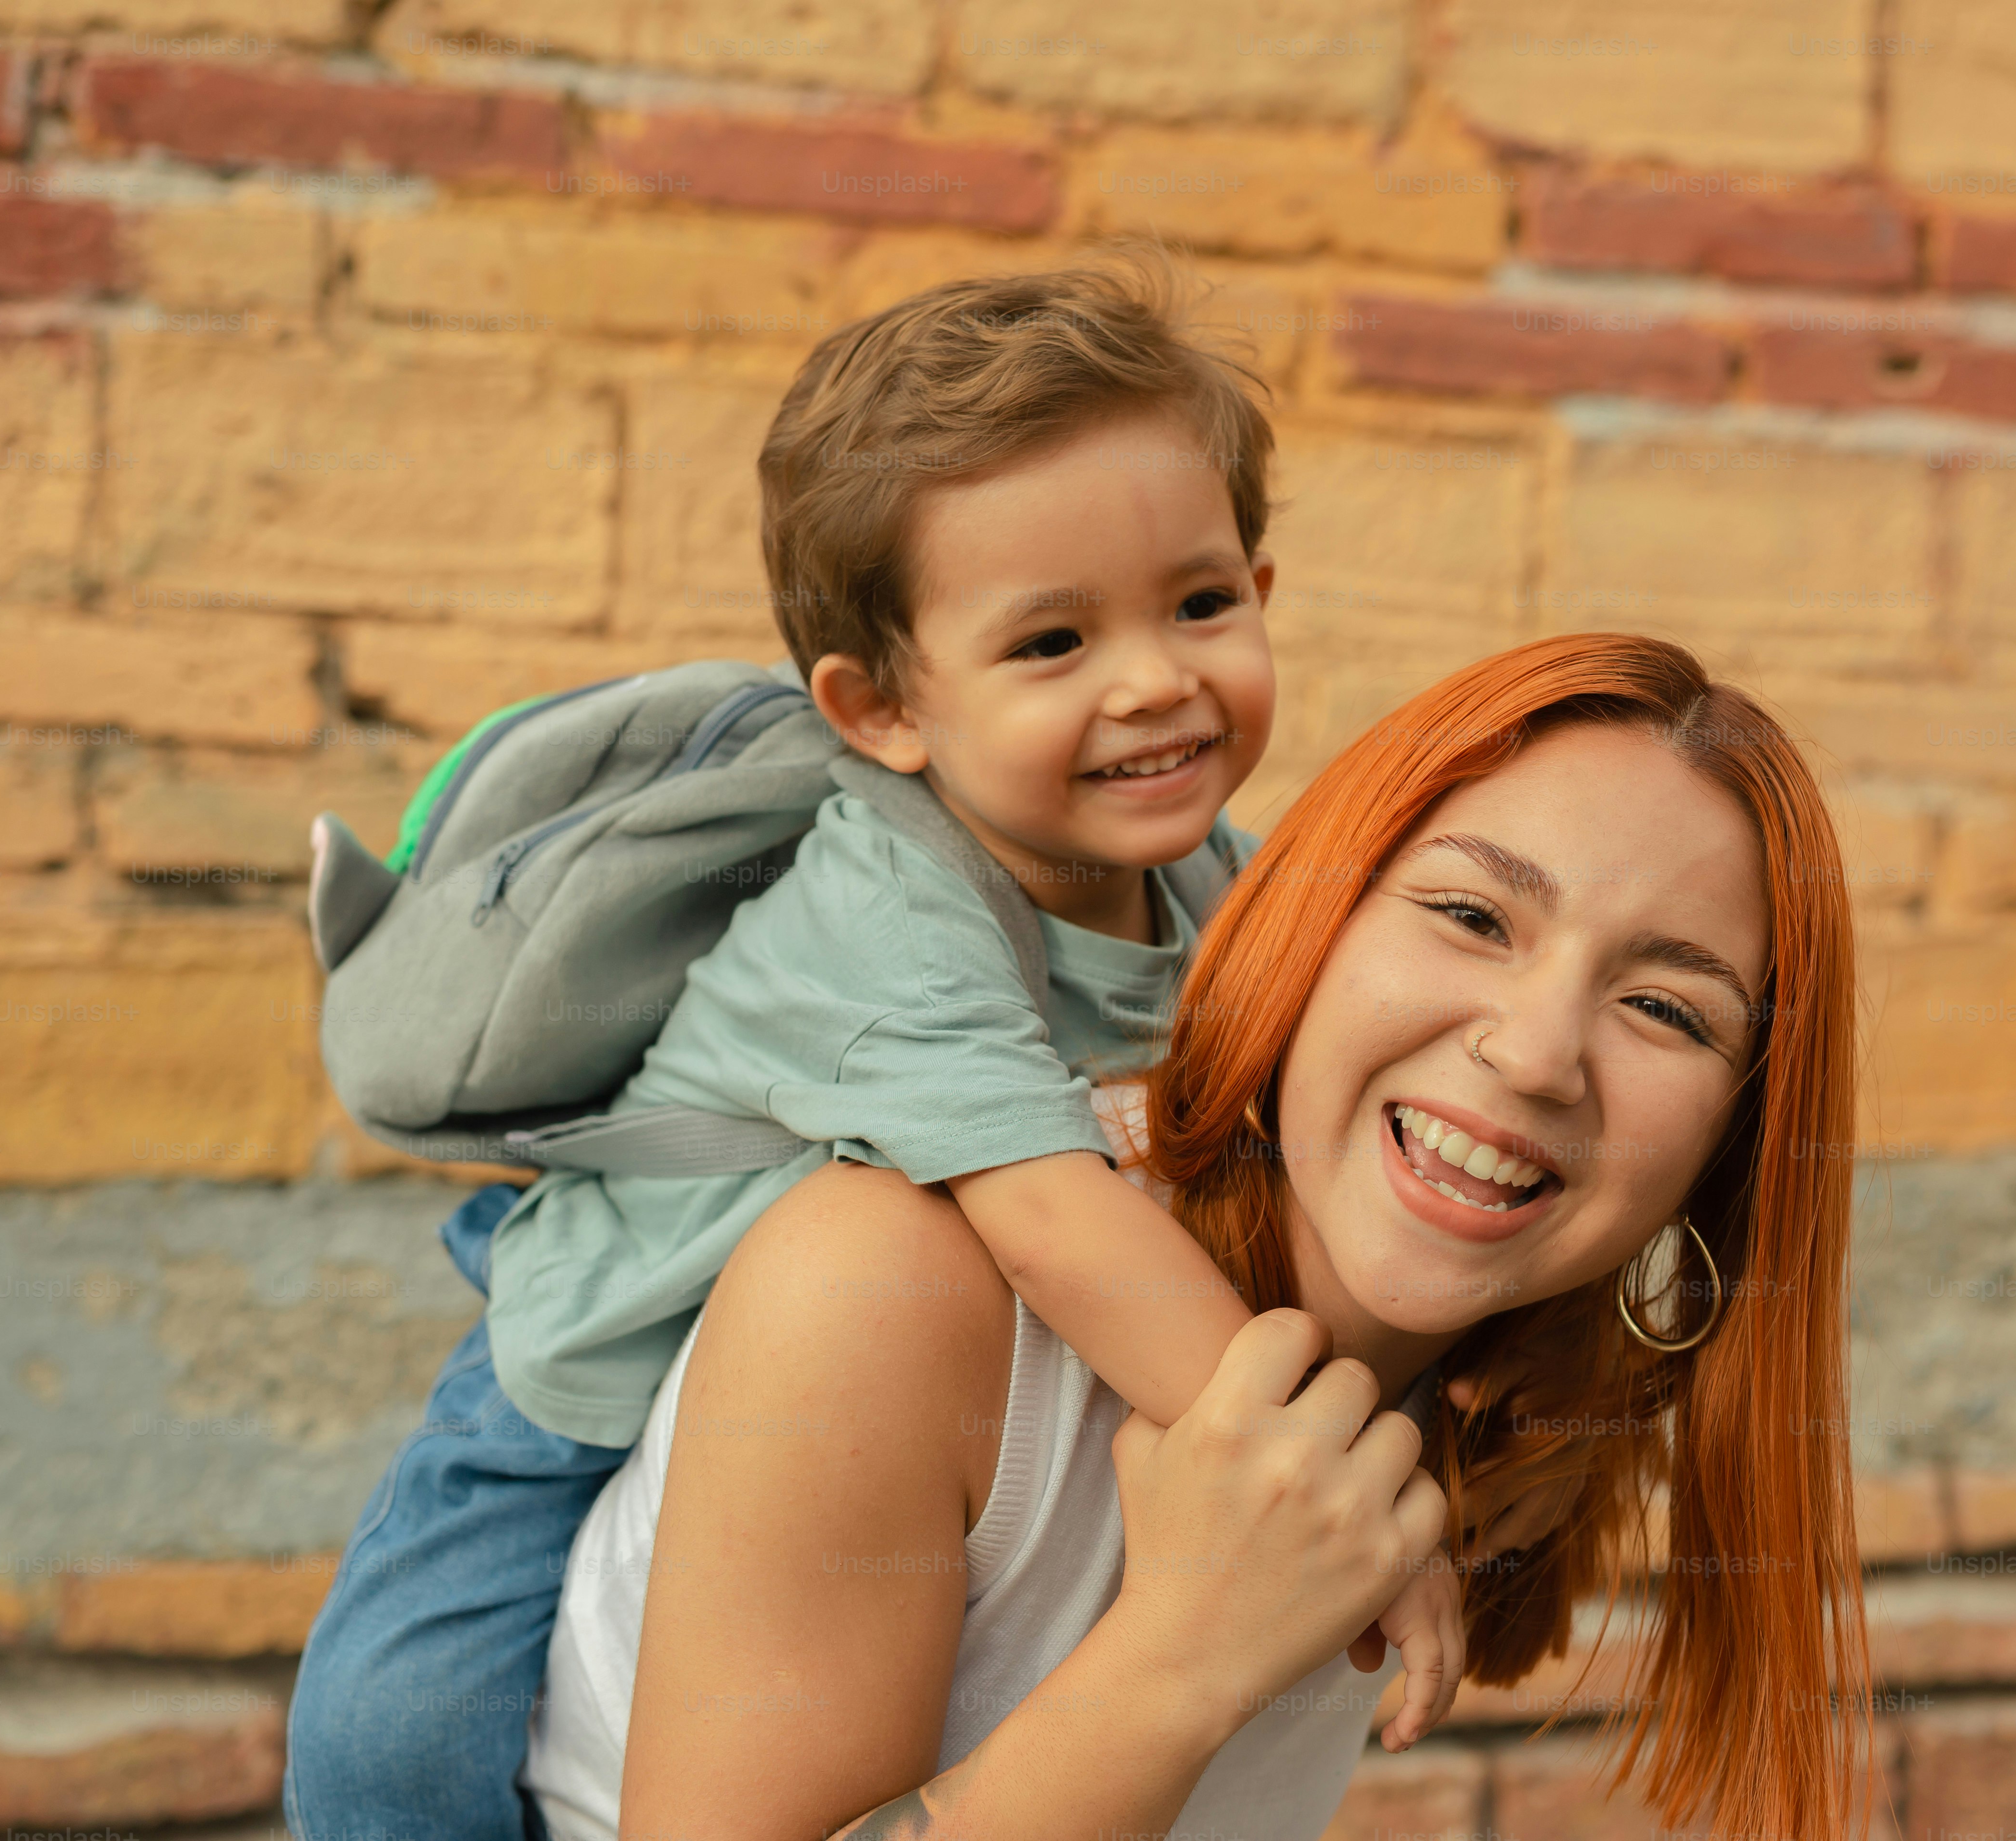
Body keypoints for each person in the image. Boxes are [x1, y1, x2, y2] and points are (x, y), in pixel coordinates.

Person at [284, 255, 1461, 1839]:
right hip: (608, 1334)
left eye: (1200, 602)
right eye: (1053, 644)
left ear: (1263, 588)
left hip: (850, 1405)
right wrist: (1335, 1483)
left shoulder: (1204, 870)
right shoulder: (894, 911)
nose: (1155, 680)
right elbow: (1052, 1223)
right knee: (387, 1750)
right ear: (885, 711)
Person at [523, 633, 1874, 1841]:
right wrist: (1186, 1653)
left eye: (1667, 1012)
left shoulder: (1491, 1411)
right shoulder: (896, 1282)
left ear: (1723, 1156)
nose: (1531, 1055)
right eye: (1472, 916)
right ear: (1304, 921)